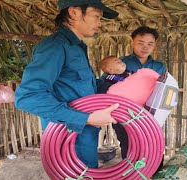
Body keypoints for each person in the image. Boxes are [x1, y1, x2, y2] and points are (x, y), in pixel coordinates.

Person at [14, 0, 119, 168]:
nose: (100, 24)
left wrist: (121, 85)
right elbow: (28, 97)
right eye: (96, 16)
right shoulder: (55, 46)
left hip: (85, 137)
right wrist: (87, 118)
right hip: (67, 141)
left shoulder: (77, 47)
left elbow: (85, 88)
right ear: (74, 12)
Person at [106, 26, 166, 173]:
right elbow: (106, 85)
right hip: (125, 115)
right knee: (128, 145)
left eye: (150, 44)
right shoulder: (120, 63)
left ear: (154, 45)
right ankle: (132, 174)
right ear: (132, 42)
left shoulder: (159, 66)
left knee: (153, 144)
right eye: (140, 42)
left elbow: (164, 89)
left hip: (150, 116)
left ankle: (155, 172)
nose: (145, 47)